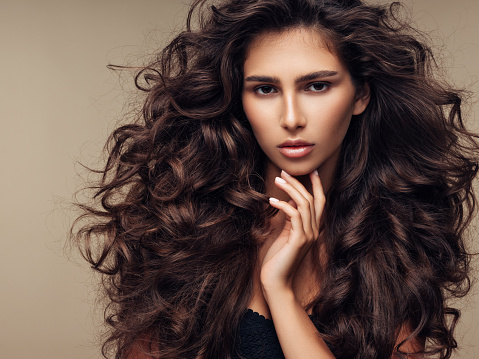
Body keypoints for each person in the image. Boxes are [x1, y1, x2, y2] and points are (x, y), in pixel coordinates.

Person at [72, 0, 479, 358]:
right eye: (265, 89)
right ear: (239, 99)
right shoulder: (185, 230)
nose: (291, 118)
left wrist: (278, 292)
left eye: (317, 86)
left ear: (360, 95)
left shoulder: (396, 241)